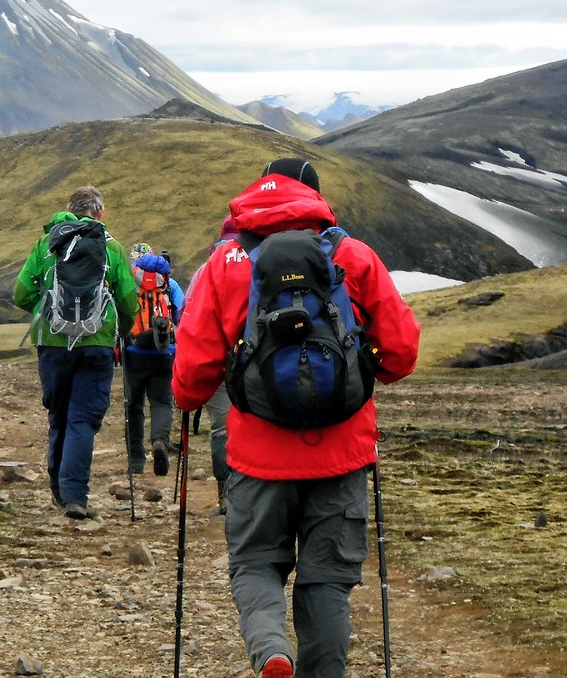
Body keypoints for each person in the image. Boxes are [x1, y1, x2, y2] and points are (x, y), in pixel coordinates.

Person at [172, 158, 420, 678]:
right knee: (327, 579)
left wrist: (188, 400)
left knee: (256, 562)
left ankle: (271, 651)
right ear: (314, 198)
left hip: (256, 456)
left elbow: (192, 373)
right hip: (342, 452)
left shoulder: (225, 263)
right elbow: (400, 353)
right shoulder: (351, 255)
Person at [14, 185, 138, 520]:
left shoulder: (46, 244)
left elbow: (21, 293)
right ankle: (74, 496)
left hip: (53, 342)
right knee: (83, 419)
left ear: (69, 208)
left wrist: (47, 308)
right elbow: (128, 300)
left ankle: (59, 490)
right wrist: (120, 331)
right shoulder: (111, 247)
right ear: (100, 212)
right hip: (97, 343)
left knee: (58, 414)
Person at [181, 216, 239, 514]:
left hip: (216, 365)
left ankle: (225, 494)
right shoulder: (258, 262)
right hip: (251, 363)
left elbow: (187, 316)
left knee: (221, 428)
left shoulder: (206, 270)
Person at [123, 242, 185, 477]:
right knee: (161, 402)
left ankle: (136, 459)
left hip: (134, 352)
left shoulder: (128, 281)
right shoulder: (169, 283)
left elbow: (121, 311)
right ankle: (160, 440)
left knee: (134, 405)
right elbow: (182, 313)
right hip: (163, 352)